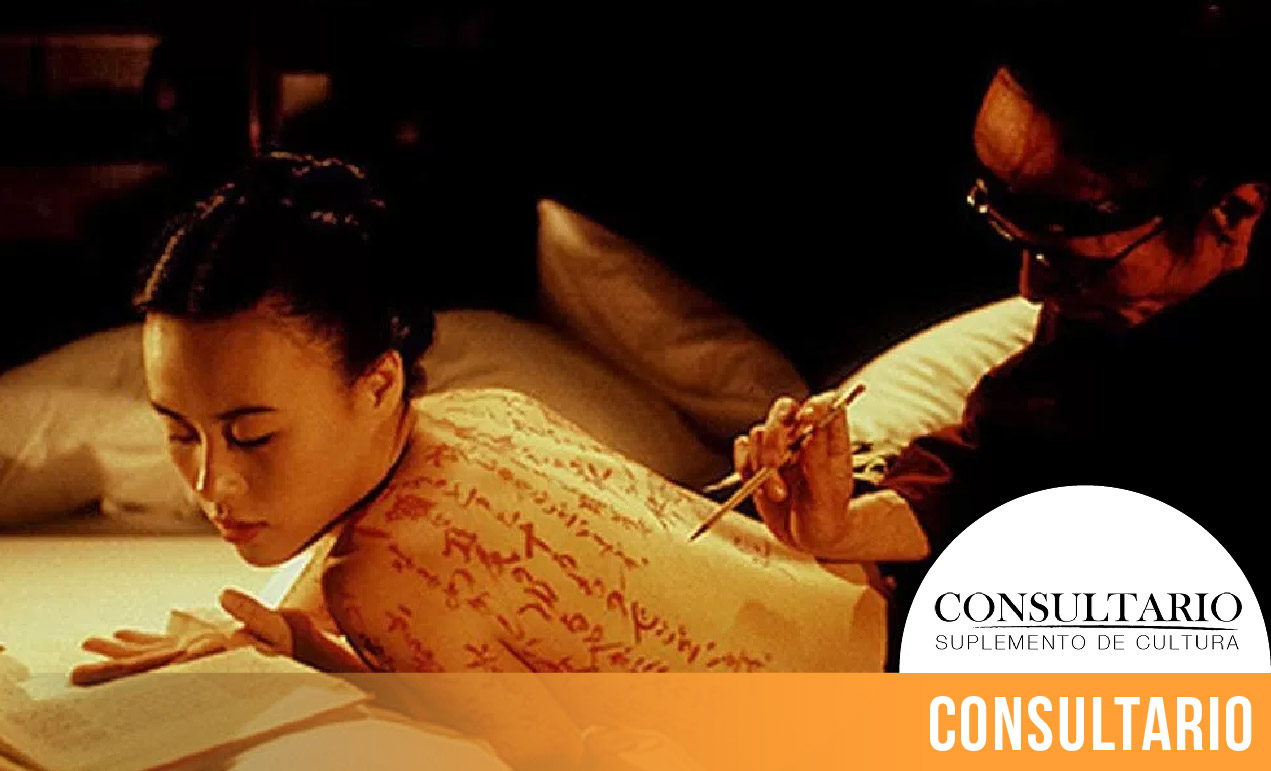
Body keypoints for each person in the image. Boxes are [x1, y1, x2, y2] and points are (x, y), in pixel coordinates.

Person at [71, 151, 884, 770]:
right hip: (875, 608)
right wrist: (284, 632)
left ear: (379, 383)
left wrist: (303, 649)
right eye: (179, 432)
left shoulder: (379, 581)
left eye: (252, 436)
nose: (211, 482)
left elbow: (550, 753)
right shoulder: (483, 411)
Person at [733, 1, 1271, 669]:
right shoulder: (1105, 321)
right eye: (1018, 241)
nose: (1030, 288)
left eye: (1067, 258)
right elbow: (1000, 463)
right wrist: (838, 526)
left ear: (1232, 213)